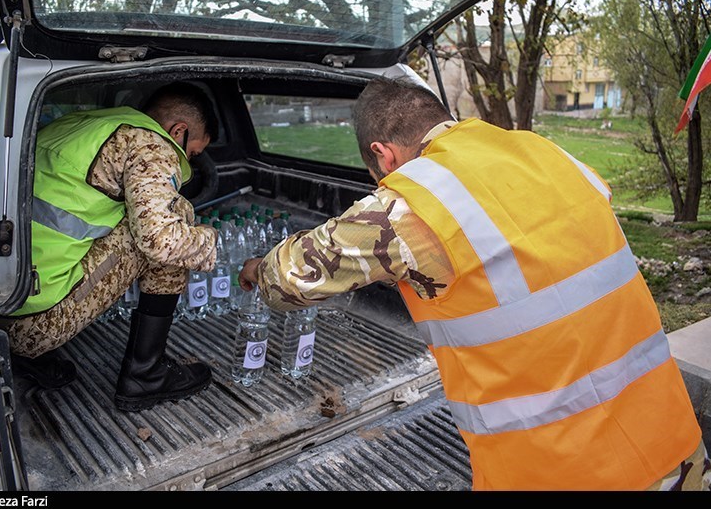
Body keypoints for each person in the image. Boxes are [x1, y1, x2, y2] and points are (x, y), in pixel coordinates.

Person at [239, 76, 709, 491]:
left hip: (560, 472)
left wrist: (258, 267)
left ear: (383, 155)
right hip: (674, 447)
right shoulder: (547, 153)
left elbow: (289, 281)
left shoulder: (415, 203)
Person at [0, 81, 219, 413]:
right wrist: (211, 241)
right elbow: (160, 241)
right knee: (176, 218)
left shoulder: (81, 126)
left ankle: (26, 356)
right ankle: (146, 373)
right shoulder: (151, 146)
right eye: (193, 152)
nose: (189, 160)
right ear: (179, 130)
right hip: (37, 323)